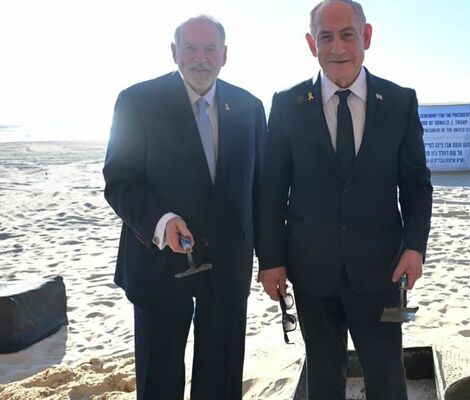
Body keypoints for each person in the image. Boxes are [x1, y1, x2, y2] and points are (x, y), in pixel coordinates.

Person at [256, 0, 432, 398]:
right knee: (323, 373)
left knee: (387, 373)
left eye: (347, 35)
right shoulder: (286, 105)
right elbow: (271, 190)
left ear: (366, 36)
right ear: (310, 43)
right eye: (326, 37)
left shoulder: (400, 101)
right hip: (311, 270)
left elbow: (417, 183)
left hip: (382, 270)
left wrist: (415, 247)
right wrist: (271, 259)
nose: (337, 48)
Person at [103, 15, 267, 400]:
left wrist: (272, 258)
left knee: (222, 381)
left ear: (224, 56)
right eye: (191, 48)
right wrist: (163, 220)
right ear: (174, 52)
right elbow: (120, 181)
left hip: (228, 268)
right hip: (158, 265)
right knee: (158, 381)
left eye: (210, 49)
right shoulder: (136, 101)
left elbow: (262, 190)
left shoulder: (249, 107)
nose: (200, 58)